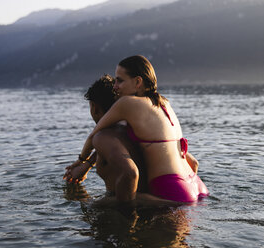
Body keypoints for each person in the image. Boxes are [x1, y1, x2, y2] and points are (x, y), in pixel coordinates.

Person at [68, 55, 209, 203]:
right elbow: (193, 162)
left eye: (120, 80)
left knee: (102, 203)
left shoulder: (127, 103)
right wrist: (89, 164)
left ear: (137, 82)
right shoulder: (164, 103)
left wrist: (81, 161)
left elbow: (94, 136)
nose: (115, 86)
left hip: (174, 191)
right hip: (196, 185)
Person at [64, 74, 168, 204]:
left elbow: (130, 174)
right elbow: (117, 149)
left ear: (95, 108)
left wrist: (94, 204)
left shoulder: (103, 137)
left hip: (129, 207)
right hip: (154, 198)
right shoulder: (133, 129)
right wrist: (87, 165)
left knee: (76, 200)